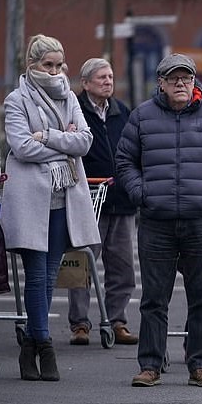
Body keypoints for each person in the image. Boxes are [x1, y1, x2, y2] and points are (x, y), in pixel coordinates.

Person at [117, 53, 202, 388]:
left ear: (193, 82)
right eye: (173, 78)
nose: (180, 84)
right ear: (160, 83)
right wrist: (141, 193)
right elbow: (125, 161)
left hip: (200, 219)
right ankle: (150, 365)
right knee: (154, 299)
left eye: (186, 78)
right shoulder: (142, 116)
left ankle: (201, 365)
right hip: (156, 221)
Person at [1, 34, 100, 381]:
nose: (56, 71)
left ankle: (31, 345)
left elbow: (85, 142)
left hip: (64, 198)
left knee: (49, 277)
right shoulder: (16, 100)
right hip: (31, 199)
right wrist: (63, 142)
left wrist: (47, 137)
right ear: (32, 64)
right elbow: (22, 147)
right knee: (37, 275)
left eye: (59, 65)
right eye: (48, 65)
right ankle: (44, 346)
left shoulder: (70, 96)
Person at [66, 58, 138, 346]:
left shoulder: (123, 112)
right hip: (87, 200)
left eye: (110, 76)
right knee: (81, 264)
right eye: (101, 78)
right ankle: (79, 324)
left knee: (122, 266)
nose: (108, 81)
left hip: (121, 200)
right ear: (85, 84)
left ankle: (117, 320)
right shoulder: (76, 112)